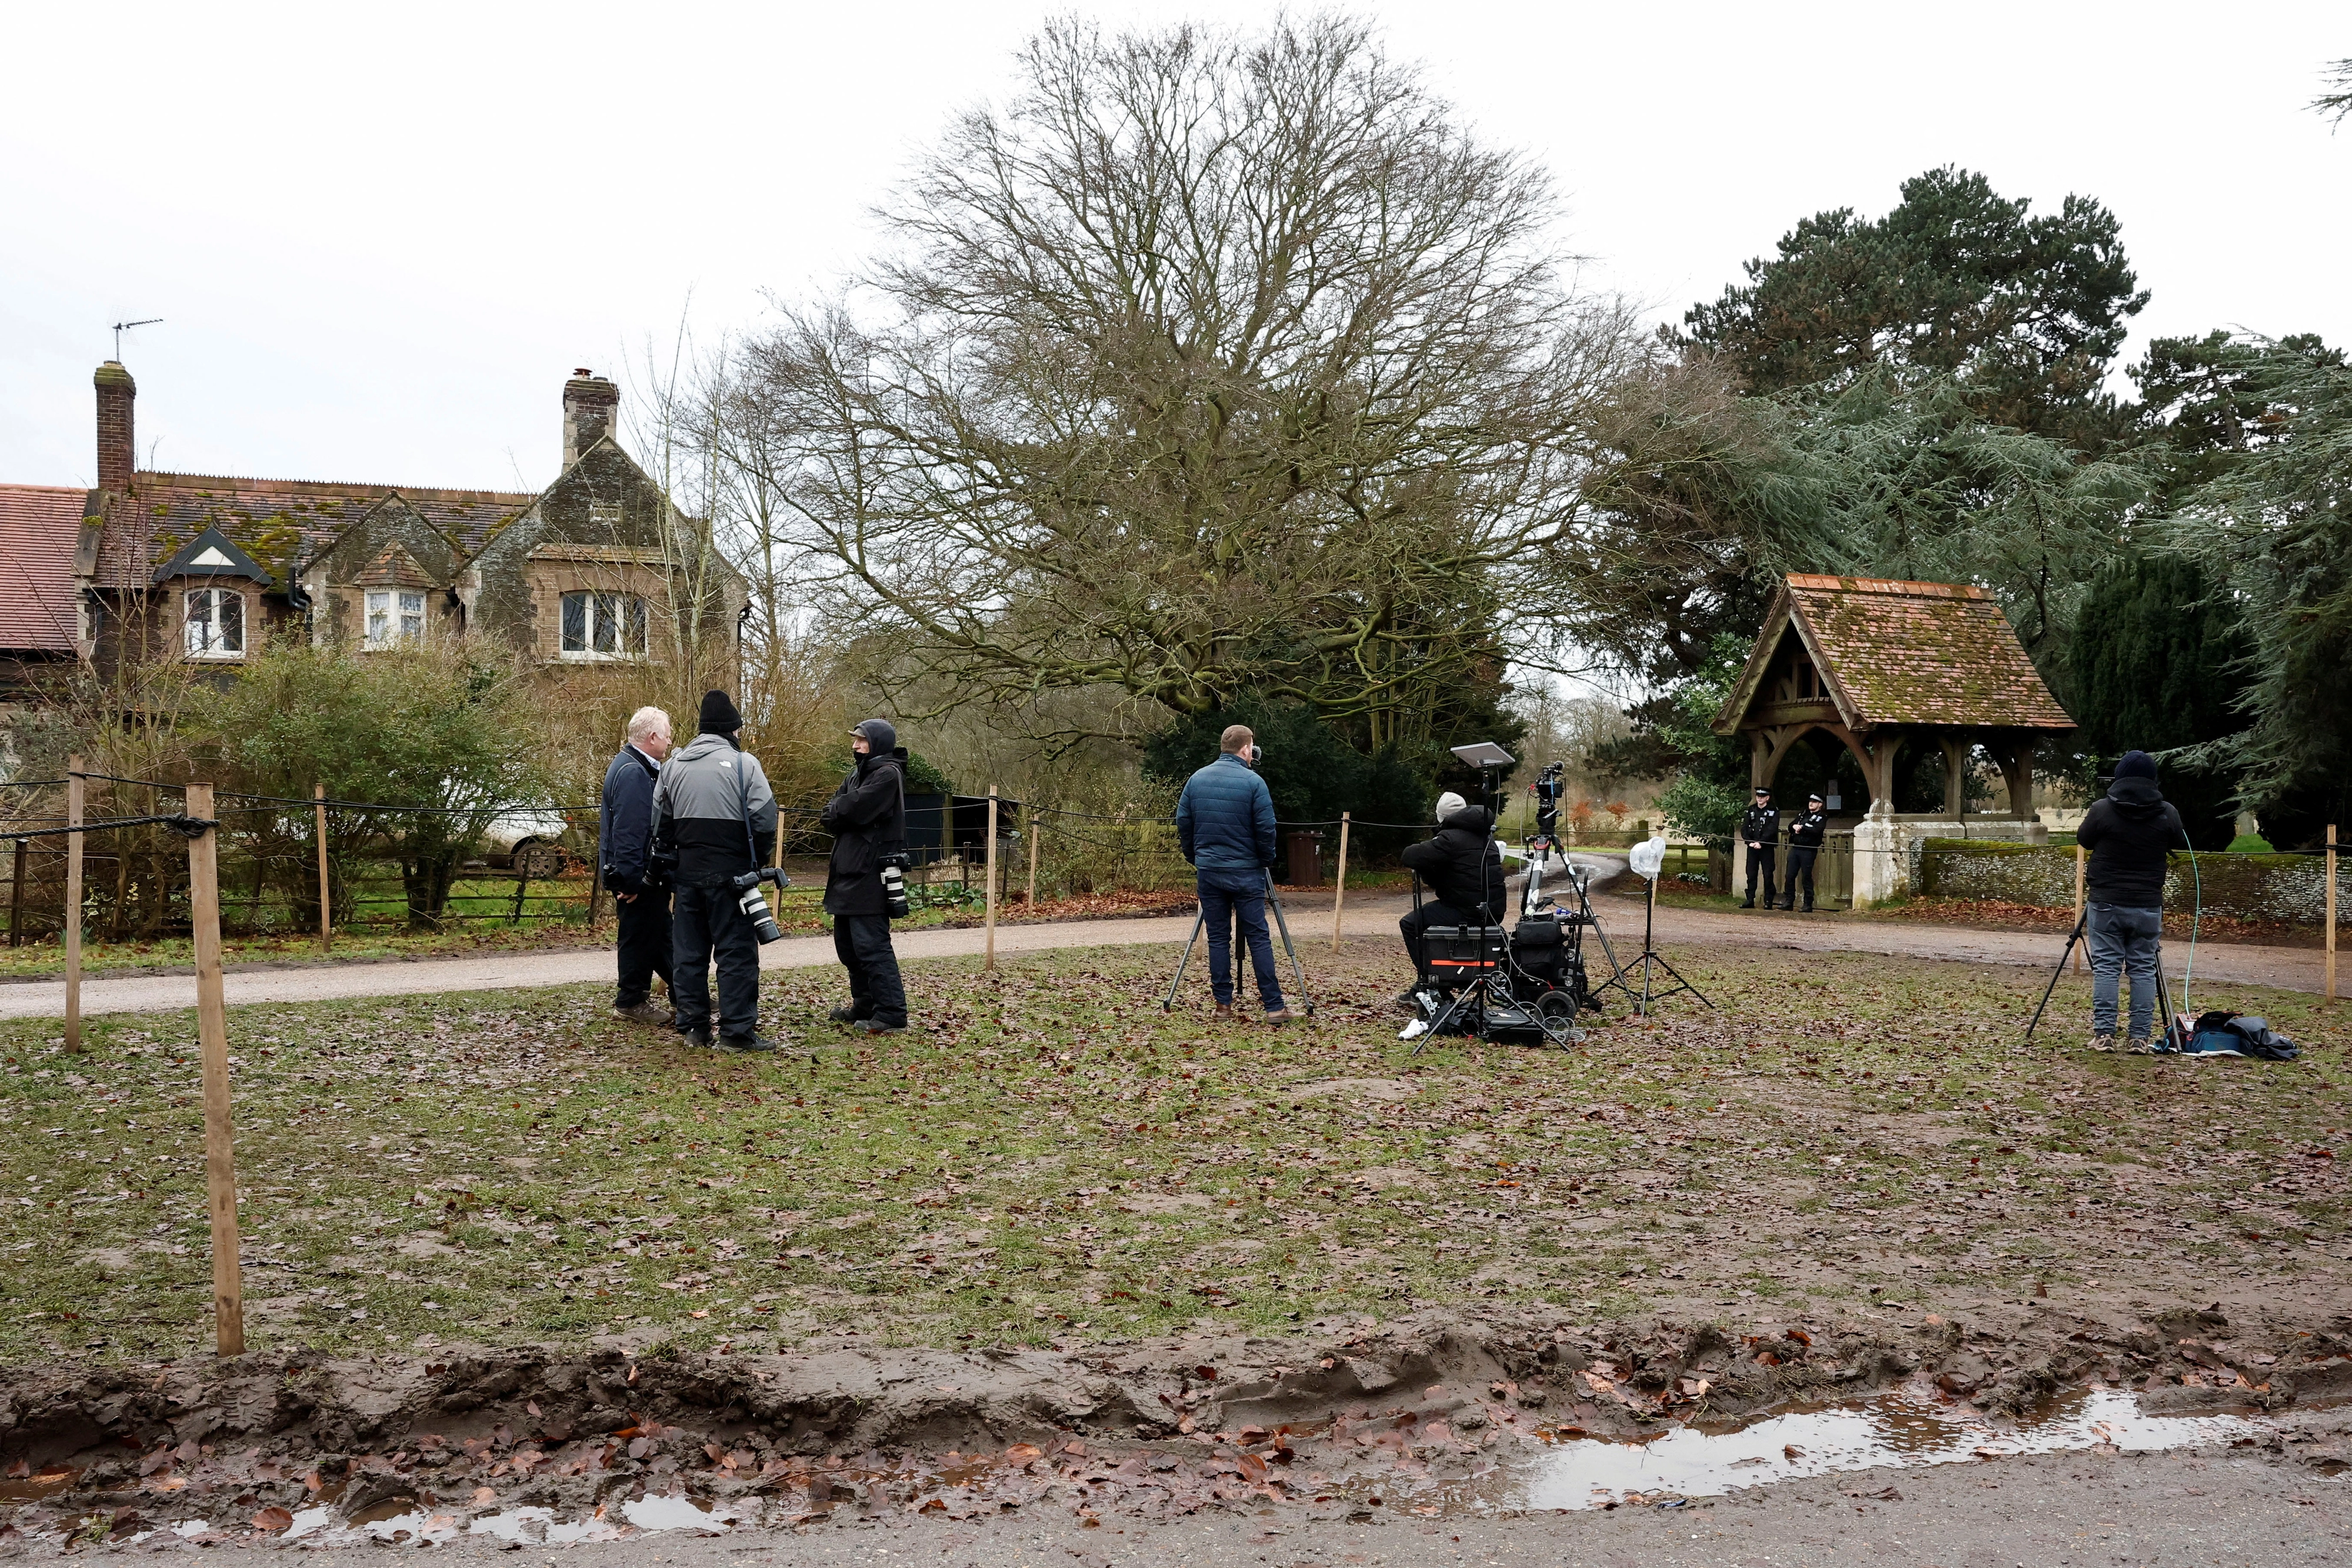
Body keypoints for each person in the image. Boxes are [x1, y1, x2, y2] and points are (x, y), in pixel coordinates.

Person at [650, 690, 779, 1051]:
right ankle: (737, 1033)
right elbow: (766, 820)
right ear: (732, 730)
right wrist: (758, 859)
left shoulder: (672, 767)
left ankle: (694, 1028)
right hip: (733, 878)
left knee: (689, 954)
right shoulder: (744, 765)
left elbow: (660, 823)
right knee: (736, 954)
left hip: (688, 876)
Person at [1174, 724, 1296, 1023]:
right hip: (1246, 872)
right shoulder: (1254, 783)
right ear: (1246, 749)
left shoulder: (1196, 780)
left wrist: (1197, 858)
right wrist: (1264, 861)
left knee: (1218, 938)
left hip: (1210, 871)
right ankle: (1274, 1006)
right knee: (1258, 937)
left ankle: (1223, 1006)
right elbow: (1267, 830)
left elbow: (1183, 824)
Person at [2075, 749, 2183, 1051]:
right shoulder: (2167, 812)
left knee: (2108, 968)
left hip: (2107, 901)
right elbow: (2177, 839)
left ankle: (2105, 1034)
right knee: (2143, 968)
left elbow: (2084, 839)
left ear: (2119, 777)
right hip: (2148, 903)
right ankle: (2139, 1037)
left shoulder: (2102, 809)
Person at [821, 719, 911, 1035]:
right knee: (848, 946)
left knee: (872, 946)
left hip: (870, 874)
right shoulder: (859, 774)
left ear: (877, 742)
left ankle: (891, 1013)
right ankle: (866, 1003)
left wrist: (842, 811)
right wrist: (841, 811)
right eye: (856, 740)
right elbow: (831, 813)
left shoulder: (887, 774)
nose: (856, 746)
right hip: (849, 872)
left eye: (862, 741)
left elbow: (848, 809)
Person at [1396, 791, 1508, 1007]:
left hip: (1465, 910)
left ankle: (1432, 983)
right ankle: (1435, 980)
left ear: (1442, 818)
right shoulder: (1487, 838)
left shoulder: (1449, 839)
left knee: (1410, 924)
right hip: (1493, 912)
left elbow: (1409, 856)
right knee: (1433, 916)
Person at [599, 706, 674, 1025]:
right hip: (638, 875)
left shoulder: (633, 766)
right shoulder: (633, 772)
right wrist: (633, 882)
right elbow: (630, 831)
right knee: (639, 936)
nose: (671, 740)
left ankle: (686, 992)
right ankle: (630, 1000)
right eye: (667, 733)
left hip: (642, 872)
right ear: (653, 736)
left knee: (659, 934)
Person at [1779, 791, 1828, 912]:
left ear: (1820, 805)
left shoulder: (1822, 817)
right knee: (1789, 876)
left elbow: (1817, 830)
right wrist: (1795, 827)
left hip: (1808, 850)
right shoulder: (1803, 814)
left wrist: (1803, 827)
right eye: (1811, 801)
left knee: (1806, 877)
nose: (1811, 804)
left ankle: (1808, 904)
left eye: (1815, 802)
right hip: (1796, 848)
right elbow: (1790, 826)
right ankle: (1789, 901)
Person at [1740, 785, 1780, 909]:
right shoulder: (1751, 810)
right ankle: (1750, 900)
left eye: (1762, 797)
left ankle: (1768, 901)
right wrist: (1749, 842)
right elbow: (1744, 829)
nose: (1760, 798)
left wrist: (1761, 842)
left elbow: (1772, 830)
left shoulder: (1774, 811)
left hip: (1766, 848)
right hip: (1752, 847)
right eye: (1758, 796)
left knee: (1768, 874)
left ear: (1767, 798)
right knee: (1751, 874)